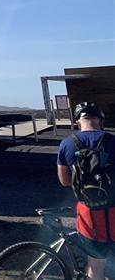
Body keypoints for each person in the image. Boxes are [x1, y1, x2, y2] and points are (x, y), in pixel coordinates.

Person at [57, 101, 115, 280]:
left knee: (96, 266)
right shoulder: (113, 141)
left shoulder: (67, 144)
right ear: (101, 121)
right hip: (114, 211)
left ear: (78, 122)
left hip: (89, 214)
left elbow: (65, 182)